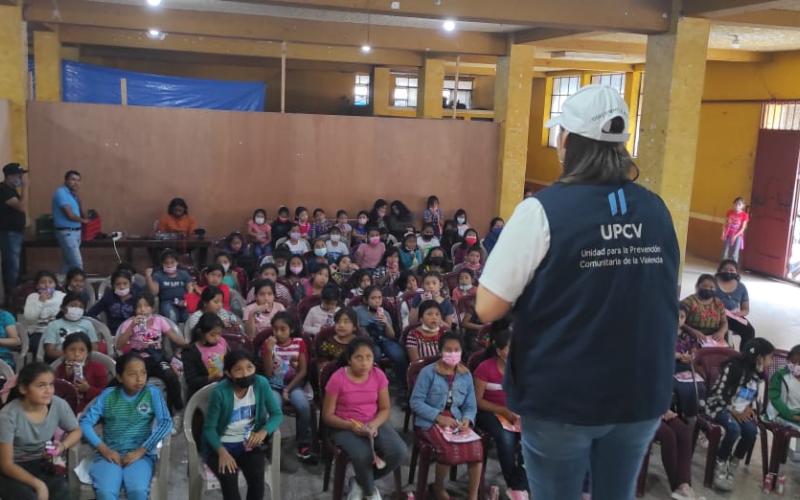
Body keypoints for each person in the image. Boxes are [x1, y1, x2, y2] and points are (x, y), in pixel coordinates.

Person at [476, 85, 680, 499]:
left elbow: (487, 306)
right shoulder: (656, 209)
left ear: (566, 140)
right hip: (639, 392)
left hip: (563, 394)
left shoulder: (543, 210)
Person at [323, 337, 408, 500]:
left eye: (369, 357)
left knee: (399, 451)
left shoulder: (378, 375)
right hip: (344, 425)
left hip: (372, 421)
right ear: (349, 359)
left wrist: (374, 425)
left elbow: (385, 409)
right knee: (363, 455)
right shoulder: (338, 378)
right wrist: (350, 426)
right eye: (358, 357)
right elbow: (327, 416)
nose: (364, 363)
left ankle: (360, 482)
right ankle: (370, 493)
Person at [79, 352, 173, 500]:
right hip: (110, 455)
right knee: (106, 493)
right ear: (120, 377)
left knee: (137, 491)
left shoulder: (152, 393)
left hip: (140, 456)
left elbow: (166, 422)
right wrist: (104, 449)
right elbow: (85, 423)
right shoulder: (108, 395)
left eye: (143, 373)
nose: (139, 378)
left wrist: (141, 451)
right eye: (132, 374)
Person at [202, 350, 283, 500]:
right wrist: (222, 452)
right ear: (228, 373)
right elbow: (209, 429)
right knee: (229, 481)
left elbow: (277, 414)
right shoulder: (220, 392)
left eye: (249, 367)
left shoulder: (261, 383)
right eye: (238, 370)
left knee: (257, 478)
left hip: (248, 443)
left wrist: (263, 432)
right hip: (221, 445)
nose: (245, 374)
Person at [411, 332, 482, 500]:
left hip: (456, 419)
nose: (452, 353)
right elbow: (415, 402)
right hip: (430, 420)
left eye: (456, 349)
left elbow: (471, 405)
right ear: (440, 350)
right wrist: (438, 417)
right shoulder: (428, 373)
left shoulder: (466, 375)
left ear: (461, 351)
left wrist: (467, 419)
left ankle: (472, 496)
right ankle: (438, 487)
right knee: (448, 449)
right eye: (448, 349)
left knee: (477, 449)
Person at [0, 362, 82, 500]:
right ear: (23, 388)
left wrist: (62, 446)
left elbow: (76, 430)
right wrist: (39, 485)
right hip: (12, 468)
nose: (48, 390)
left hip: (40, 462)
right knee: (29, 496)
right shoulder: (8, 416)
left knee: (61, 491)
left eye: (51, 384)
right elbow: (6, 464)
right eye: (41, 385)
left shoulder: (57, 404)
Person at [702, 338, 774, 491]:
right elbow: (718, 394)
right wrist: (733, 411)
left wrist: (750, 408)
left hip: (739, 410)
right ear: (759, 358)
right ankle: (720, 462)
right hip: (719, 406)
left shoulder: (758, 374)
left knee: (751, 432)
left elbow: (751, 396)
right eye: (769, 357)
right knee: (734, 429)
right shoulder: (733, 367)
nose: (771, 361)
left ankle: (733, 464)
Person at [473, 326, 528, 500]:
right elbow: (478, 401)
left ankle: (518, 484)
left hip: (514, 411)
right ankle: (516, 486)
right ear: (499, 350)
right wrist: (503, 410)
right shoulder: (485, 368)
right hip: (489, 411)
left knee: (534, 437)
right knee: (506, 440)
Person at [116, 293, 188, 414]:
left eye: (146, 306)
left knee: (171, 376)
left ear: (152, 308)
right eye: (139, 306)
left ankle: (174, 411)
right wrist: (132, 326)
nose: (143, 309)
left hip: (158, 358)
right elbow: (119, 345)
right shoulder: (130, 323)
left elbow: (174, 337)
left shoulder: (159, 320)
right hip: (138, 360)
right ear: (135, 309)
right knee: (139, 381)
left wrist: (188, 344)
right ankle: (139, 412)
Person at [261, 312, 314, 462]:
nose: (278, 333)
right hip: (274, 385)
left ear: (291, 329)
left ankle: (303, 442)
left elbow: (303, 371)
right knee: (273, 407)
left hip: (294, 384)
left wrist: (288, 389)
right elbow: (268, 372)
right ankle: (266, 440)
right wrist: (268, 350)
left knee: (303, 406)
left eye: (283, 329)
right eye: (275, 329)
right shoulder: (269, 344)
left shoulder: (299, 343)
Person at [355, 286, 407, 391]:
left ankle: (402, 386)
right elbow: (356, 329)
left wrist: (386, 324)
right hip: (368, 341)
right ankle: (375, 386)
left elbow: (391, 336)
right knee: (375, 355)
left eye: (379, 298)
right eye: (373, 298)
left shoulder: (385, 313)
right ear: (365, 300)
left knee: (399, 355)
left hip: (384, 339)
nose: (377, 301)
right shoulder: (358, 311)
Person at [55, 332, 108, 412]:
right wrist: (67, 375)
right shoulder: (61, 368)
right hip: (67, 409)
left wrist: (88, 389)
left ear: (88, 353)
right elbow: (57, 392)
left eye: (82, 350)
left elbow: (106, 394)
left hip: (92, 409)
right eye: (72, 350)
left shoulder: (98, 368)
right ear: (65, 352)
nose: (76, 354)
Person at [654, 409, 699, 500]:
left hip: (656, 407)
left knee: (684, 431)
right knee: (668, 435)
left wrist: (663, 408)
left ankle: (684, 485)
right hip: (637, 410)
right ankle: (679, 488)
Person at [183, 313, 229, 399]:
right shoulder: (190, 351)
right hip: (201, 392)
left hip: (222, 386)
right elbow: (191, 381)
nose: (217, 338)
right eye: (212, 334)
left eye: (219, 334)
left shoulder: (222, 342)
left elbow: (228, 362)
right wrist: (210, 378)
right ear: (201, 333)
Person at [42, 292, 98, 363]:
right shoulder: (53, 325)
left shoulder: (88, 324)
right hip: (60, 361)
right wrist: (70, 356)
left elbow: (94, 348)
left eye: (81, 307)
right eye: (73, 306)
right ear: (62, 308)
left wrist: (81, 357)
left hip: (83, 361)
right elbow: (50, 351)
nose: (77, 309)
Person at [24, 271, 66, 358]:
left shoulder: (62, 296)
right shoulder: (32, 297)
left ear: (55, 284)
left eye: (50, 282)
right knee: (40, 347)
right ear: (37, 285)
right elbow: (30, 319)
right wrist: (40, 302)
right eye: (43, 282)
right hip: (39, 332)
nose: (47, 285)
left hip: (59, 331)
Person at [715, 260, 756, 351]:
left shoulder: (741, 287)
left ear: (736, 273)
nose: (729, 272)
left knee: (749, 331)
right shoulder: (713, 283)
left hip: (733, 317)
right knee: (723, 338)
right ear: (720, 271)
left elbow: (746, 309)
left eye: (732, 270)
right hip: (714, 316)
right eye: (725, 269)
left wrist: (740, 313)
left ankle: (744, 356)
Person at [0, 163, 27, 298]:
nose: (21, 179)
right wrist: (25, 188)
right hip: (9, 234)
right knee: (12, 267)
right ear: (10, 176)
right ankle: (11, 298)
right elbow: (21, 207)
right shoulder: (3, 189)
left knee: (16, 266)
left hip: (16, 233)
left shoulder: (11, 190)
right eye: (19, 176)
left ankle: (14, 295)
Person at [51, 170, 87, 273]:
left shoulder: (73, 195)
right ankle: (80, 288)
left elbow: (83, 213)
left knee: (68, 264)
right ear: (66, 180)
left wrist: (79, 200)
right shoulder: (60, 193)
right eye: (73, 179)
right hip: (67, 232)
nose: (76, 182)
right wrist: (84, 221)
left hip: (76, 232)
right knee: (77, 264)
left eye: (78, 180)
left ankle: (62, 286)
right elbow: (70, 215)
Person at [146, 249, 193, 323]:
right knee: (171, 315)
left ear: (177, 262)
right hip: (167, 302)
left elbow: (190, 290)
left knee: (188, 316)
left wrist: (186, 301)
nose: (169, 265)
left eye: (172, 262)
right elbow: (154, 292)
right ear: (162, 264)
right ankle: (173, 334)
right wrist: (148, 277)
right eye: (166, 263)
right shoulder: (158, 275)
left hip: (183, 301)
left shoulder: (184, 274)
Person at [681, 274, 728, 348]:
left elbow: (724, 322)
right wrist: (692, 331)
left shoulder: (718, 303)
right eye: (704, 286)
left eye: (712, 287)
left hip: (713, 339)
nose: (708, 289)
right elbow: (678, 321)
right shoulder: (689, 302)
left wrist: (721, 332)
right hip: (691, 337)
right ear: (697, 286)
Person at [88, 269, 141, 334]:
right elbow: (90, 313)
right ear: (113, 286)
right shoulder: (108, 298)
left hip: (133, 333)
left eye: (125, 283)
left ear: (130, 284)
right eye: (118, 284)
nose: (122, 287)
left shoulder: (136, 298)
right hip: (113, 334)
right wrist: (102, 326)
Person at [767, 344, 800, 430]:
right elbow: (774, 398)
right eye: (793, 362)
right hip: (781, 413)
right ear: (788, 360)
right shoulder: (780, 375)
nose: (796, 366)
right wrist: (790, 415)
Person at [721, 197, 749, 263]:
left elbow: (742, 228)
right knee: (725, 252)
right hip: (728, 234)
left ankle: (733, 269)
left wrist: (735, 236)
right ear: (733, 204)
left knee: (735, 253)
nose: (737, 206)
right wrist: (723, 233)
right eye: (736, 204)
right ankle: (722, 268)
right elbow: (725, 223)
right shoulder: (729, 212)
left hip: (738, 235)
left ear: (743, 206)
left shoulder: (745, 215)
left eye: (739, 204)